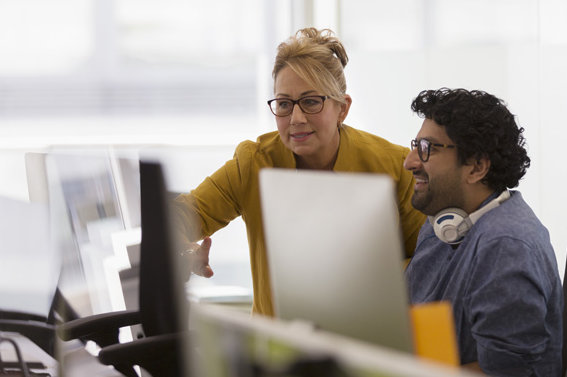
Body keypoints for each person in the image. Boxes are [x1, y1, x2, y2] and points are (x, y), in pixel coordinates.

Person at [171, 27, 426, 316]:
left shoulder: (395, 166)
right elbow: (177, 216)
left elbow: (428, 260)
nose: (296, 118)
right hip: (277, 349)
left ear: (342, 108)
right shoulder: (254, 163)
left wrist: (364, 280)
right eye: (283, 104)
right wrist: (186, 252)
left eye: (311, 101)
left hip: (366, 338)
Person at [403, 88, 563, 375]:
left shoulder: (506, 246)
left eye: (428, 148)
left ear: (476, 167)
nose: (410, 162)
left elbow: (503, 373)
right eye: (416, 145)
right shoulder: (440, 226)